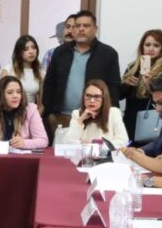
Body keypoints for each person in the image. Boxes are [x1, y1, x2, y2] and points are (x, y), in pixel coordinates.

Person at [41, 10, 121, 138]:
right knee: (60, 149)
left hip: (94, 117)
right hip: (61, 116)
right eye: (77, 26)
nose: (81, 29)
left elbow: (113, 88)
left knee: (90, 150)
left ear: (95, 29)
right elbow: (49, 84)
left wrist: (109, 116)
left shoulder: (108, 54)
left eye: (86, 26)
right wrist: (49, 113)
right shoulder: (60, 52)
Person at [120, 29, 162, 141]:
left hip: (155, 121)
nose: (151, 49)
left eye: (156, 45)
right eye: (147, 45)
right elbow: (119, 95)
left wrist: (150, 85)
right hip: (132, 121)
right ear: (142, 46)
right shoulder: (133, 67)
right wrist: (126, 85)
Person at [0, 76, 48, 149]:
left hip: (21, 157)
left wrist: (24, 143)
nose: (15, 96)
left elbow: (43, 140)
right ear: (1, 95)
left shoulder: (30, 110)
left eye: (18, 92)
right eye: (10, 93)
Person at [65, 79, 129, 146]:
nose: (92, 100)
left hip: (105, 153)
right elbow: (67, 143)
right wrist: (80, 120)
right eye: (88, 95)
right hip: (82, 153)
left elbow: (124, 141)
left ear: (104, 98)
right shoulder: (77, 114)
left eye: (97, 96)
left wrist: (93, 145)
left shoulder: (113, 113)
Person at [0, 35, 45, 110]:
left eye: (33, 47)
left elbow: (43, 103)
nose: (31, 51)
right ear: (19, 52)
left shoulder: (41, 72)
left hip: (31, 112)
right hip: (9, 111)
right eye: (26, 49)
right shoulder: (8, 70)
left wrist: (36, 115)